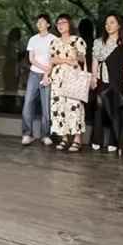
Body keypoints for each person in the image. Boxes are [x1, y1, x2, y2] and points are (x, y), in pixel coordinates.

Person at [91, 13, 123, 152]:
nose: (108, 26)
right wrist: (93, 77)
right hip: (102, 77)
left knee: (115, 108)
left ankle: (113, 141)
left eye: (111, 22)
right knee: (100, 107)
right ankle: (96, 139)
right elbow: (95, 60)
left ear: (119, 25)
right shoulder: (99, 41)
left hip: (118, 77)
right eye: (106, 23)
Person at [47, 14, 88, 152]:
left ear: (70, 24)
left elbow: (83, 59)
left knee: (74, 107)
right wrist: (65, 60)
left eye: (63, 22)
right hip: (58, 78)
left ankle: (77, 139)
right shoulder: (54, 42)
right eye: (58, 23)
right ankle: (64, 138)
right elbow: (52, 60)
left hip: (73, 77)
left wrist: (76, 56)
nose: (60, 25)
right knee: (59, 108)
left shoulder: (77, 40)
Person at [22, 14, 56, 146]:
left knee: (46, 107)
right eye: (38, 22)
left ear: (48, 24)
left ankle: (45, 135)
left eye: (42, 22)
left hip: (48, 75)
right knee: (28, 103)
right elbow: (31, 59)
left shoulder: (54, 39)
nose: (39, 24)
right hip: (34, 74)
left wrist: (48, 71)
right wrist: (44, 68)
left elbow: (54, 58)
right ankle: (27, 134)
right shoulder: (33, 39)